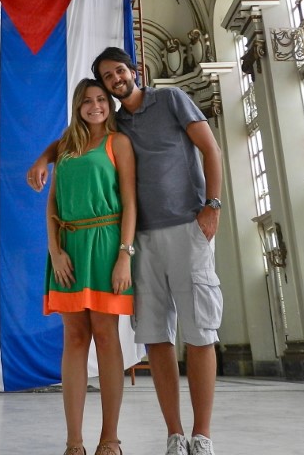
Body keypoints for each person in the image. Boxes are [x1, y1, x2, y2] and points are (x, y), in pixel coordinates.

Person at [29, 48, 223, 455]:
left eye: (118, 73)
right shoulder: (113, 125)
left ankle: (198, 436)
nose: (113, 82)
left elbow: (209, 150)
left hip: (179, 229)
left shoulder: (166, 103)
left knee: (200, 330)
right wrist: (43, 159)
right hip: (126, 243)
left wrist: (212, 206)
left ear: (134, 71)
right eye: (104, 79)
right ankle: (171, 434)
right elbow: (69, 149)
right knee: (153, 335)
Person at [44, 78, 137, 455]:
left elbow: (130, 202)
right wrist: (55, 251)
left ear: (109, 104)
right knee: (74, 338)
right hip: (68, 249)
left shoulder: (119, 143)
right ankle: (74, 441)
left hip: (106, 244)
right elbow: (51, 205)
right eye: (87, 101)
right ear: (77, 106)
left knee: (106, 335)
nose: (95, 105)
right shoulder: (65, 147)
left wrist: (124, 256)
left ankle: (110, 438)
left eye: (101, 99)